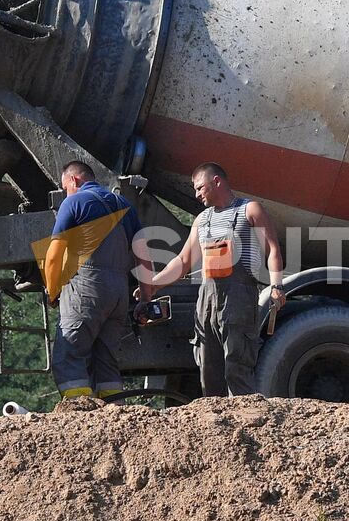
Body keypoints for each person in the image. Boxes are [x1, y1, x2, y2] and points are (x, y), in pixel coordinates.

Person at [139, 162, 285, 397]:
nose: (196, 195)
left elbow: (273, 250)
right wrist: (152, 285)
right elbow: (183, 261)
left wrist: (277, 285)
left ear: (216, 181)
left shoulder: (250, 210)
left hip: (239, 299)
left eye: (199, 188)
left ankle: (247, 420)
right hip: (206, 302)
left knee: (236, 366)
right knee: (208, 369)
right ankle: (216, 427)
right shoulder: (202, 220)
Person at [40, 160, 140, 401]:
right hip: (119, 293)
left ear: (74, 180)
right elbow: (142, 254)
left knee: (69, 355)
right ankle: (115, 413)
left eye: (66, 187)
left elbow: (53, 256)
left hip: (88, 288)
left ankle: (79, 415)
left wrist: (52, 290)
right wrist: (144, 294)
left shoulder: (74, 202)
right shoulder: (123, 204)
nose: (66, 192)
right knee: (106, 359)